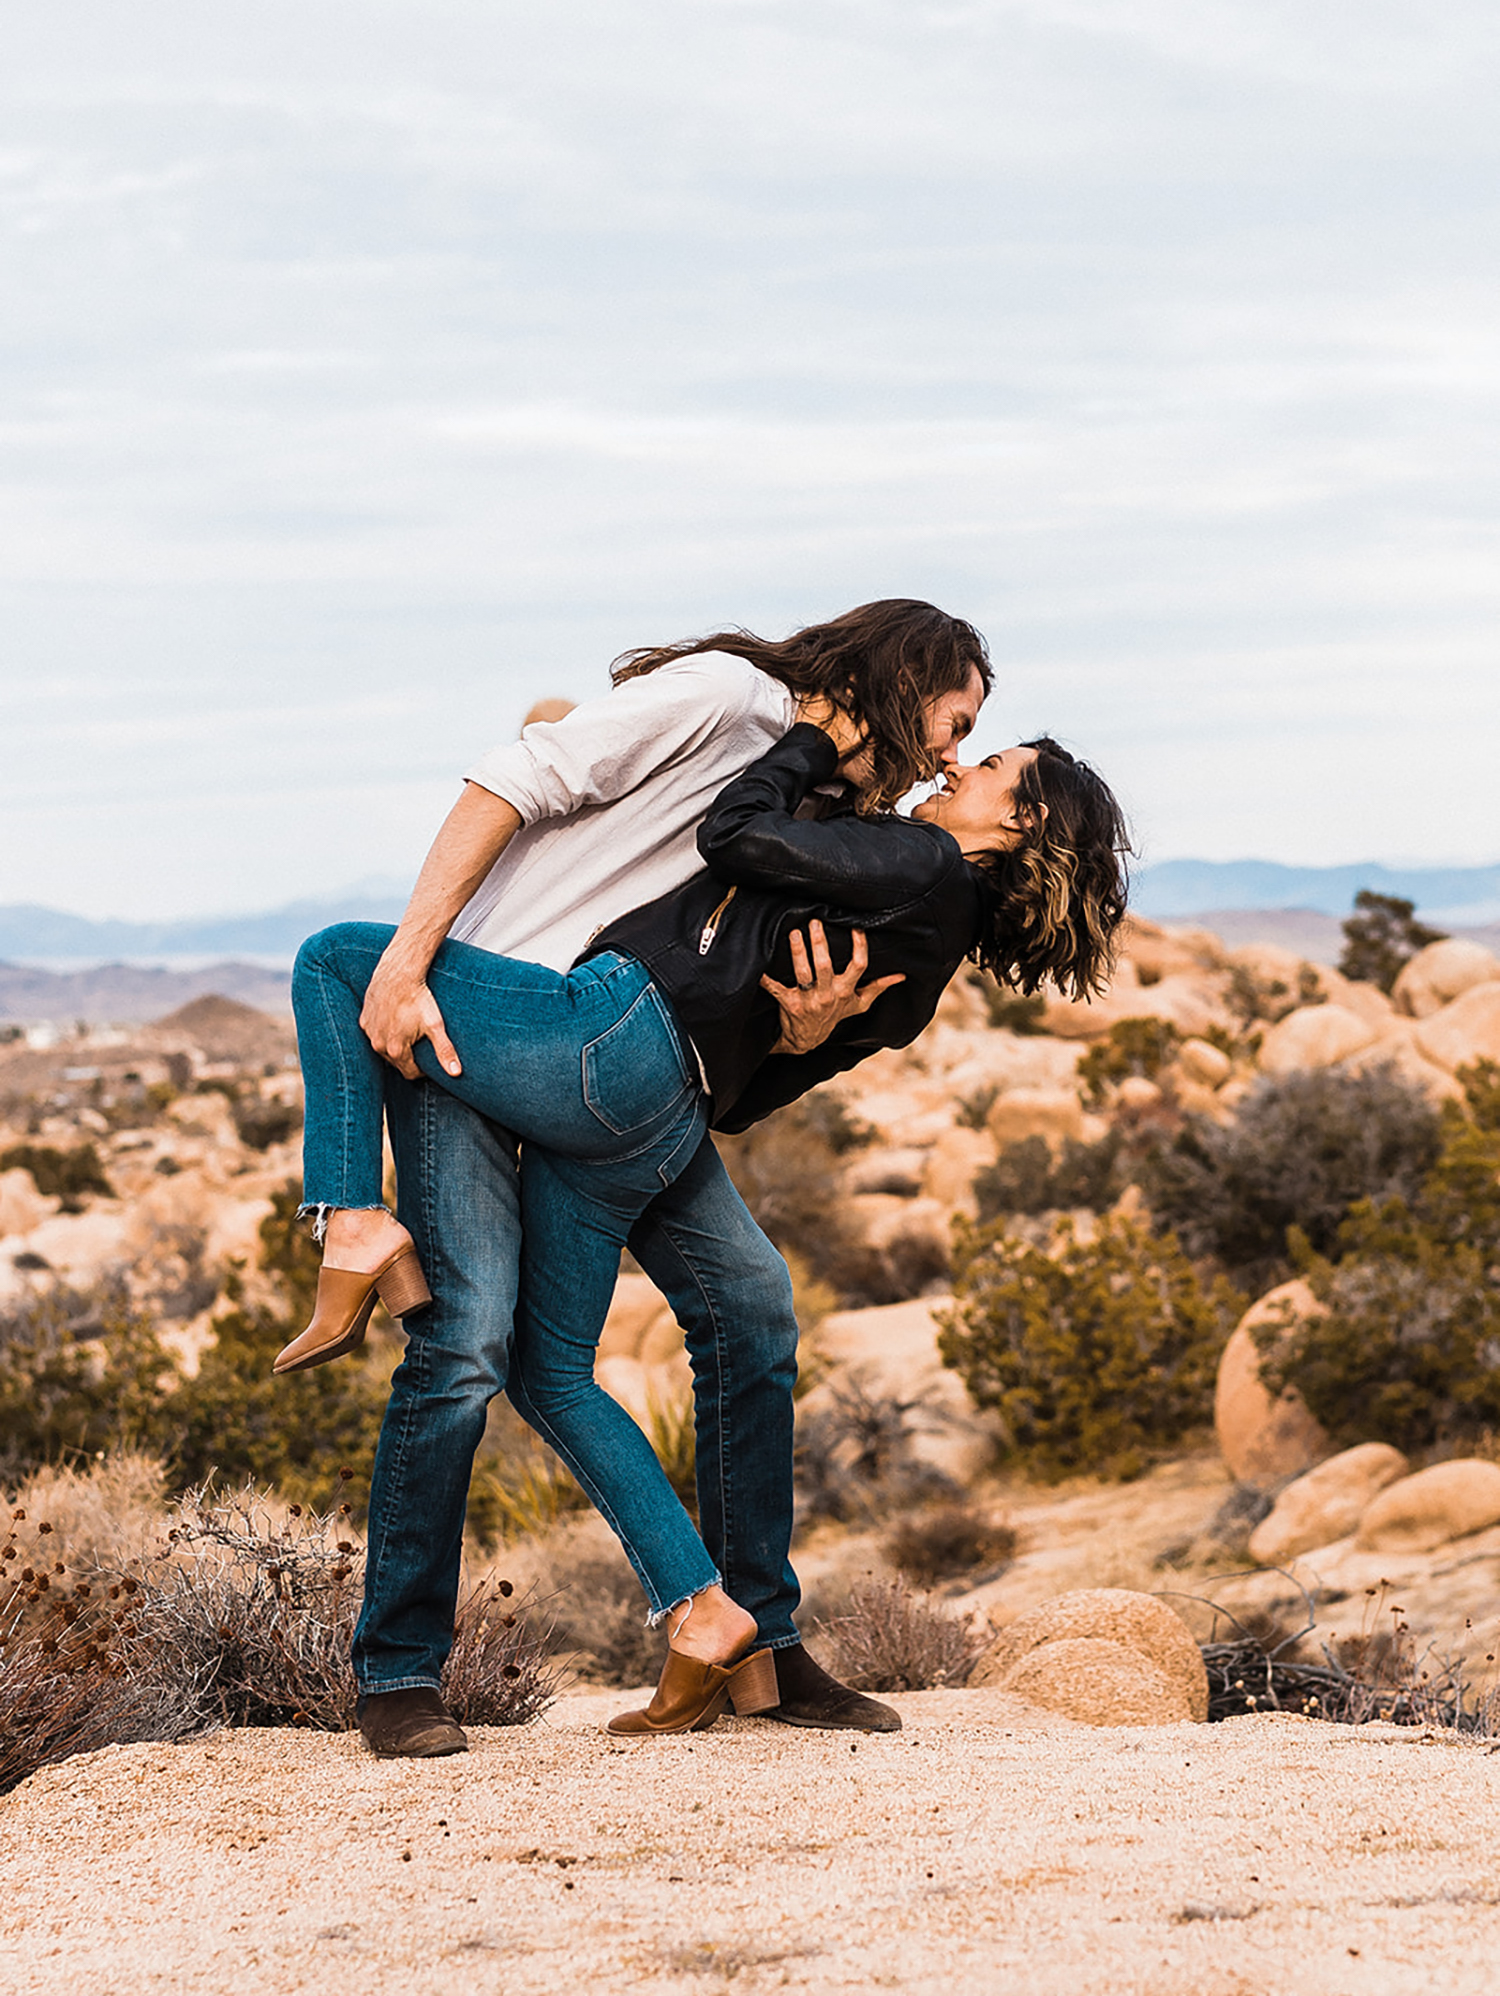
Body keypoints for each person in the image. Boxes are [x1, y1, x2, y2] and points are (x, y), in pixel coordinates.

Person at [287, 700, 1130, 1742]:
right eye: (959, 728)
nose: (958, 760)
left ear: (1021, 826)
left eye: (990, 758)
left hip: (602, 1051)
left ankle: (350, 1221)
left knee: (332, 962)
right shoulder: (854, 824)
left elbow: (736, 849)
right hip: (602, 1064)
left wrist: (798, 1026)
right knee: (623, 1330)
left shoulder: (908, 861)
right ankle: (705, 1632)